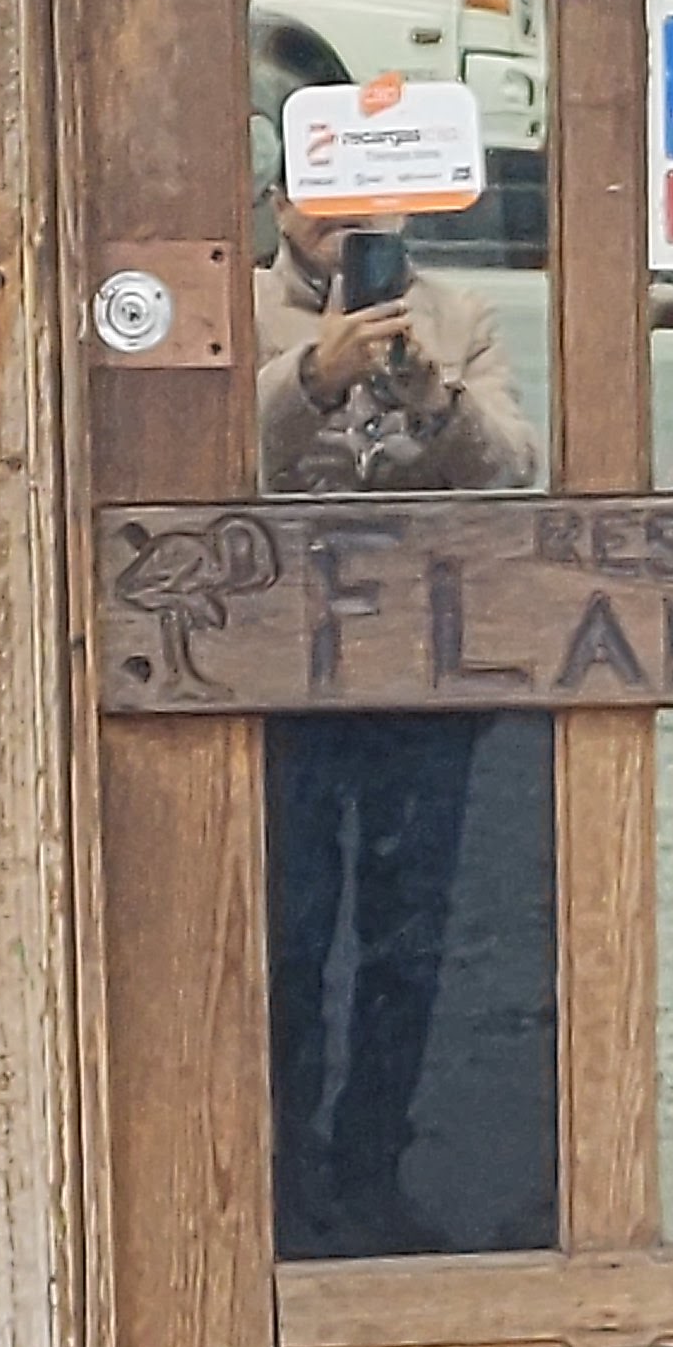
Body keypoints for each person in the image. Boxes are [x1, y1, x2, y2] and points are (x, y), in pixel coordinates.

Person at [256, 176, 545, 1256]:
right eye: (325, 201)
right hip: (275, 670)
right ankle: (284, 1183)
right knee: (286, 936)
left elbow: (514, 470)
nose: (350, 225)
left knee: (407, 942)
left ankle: (372, 1172)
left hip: (425, 667)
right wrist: (309, 380)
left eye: (374, 205)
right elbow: (188, 462)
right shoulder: (236, 311)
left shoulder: (458, 317)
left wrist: (436, 399)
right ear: (277, 205)